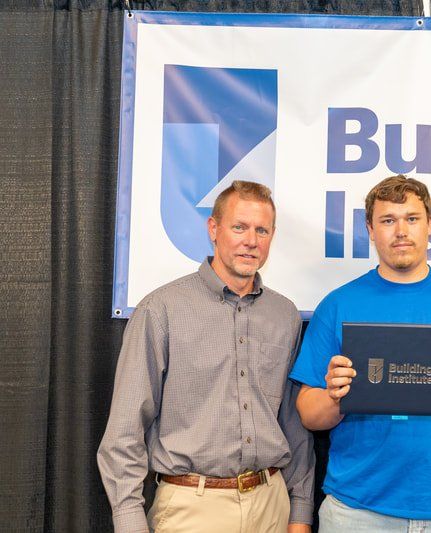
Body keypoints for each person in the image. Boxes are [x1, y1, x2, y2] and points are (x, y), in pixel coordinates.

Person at [289, 175, 431, 532]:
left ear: (430, 225)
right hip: (355, 512)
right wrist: (335, 397)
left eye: (411, 218)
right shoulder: (337, 305)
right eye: (387, 220)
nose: (400, 231)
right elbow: (308, 415)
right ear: (370, 229)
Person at [98, 180, 314, 533]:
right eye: (239, 227)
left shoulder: (285, 314)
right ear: (214, 229)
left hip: (272, 506)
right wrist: (130, 523)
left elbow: (293, 424)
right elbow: (124, 432)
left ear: (272, 236)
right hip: (192, 509)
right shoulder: (162, 309)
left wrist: (301, 512)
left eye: (262, 230)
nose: (251, 240)